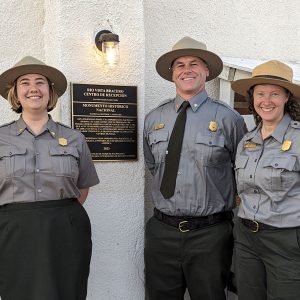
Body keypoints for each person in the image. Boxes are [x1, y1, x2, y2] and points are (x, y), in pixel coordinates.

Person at [143, 36, 247, 300]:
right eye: (179, 65)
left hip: (210, 234)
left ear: (206, 71)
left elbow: (242, 172)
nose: (186, 70)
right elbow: (155, 167)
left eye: (194, 64)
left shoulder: (228, 118)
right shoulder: (154, 118)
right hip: (162, 231)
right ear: (172, 73)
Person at [0, 56, 99, 300]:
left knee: (66, 291)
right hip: (13, 231)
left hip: (65, 230)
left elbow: (83, 186)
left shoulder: (75, 138)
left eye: (40, 82)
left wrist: (60, 215)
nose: (33, 88)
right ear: (16, 93)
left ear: (50, 92)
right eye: (24, 83)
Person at [232, 60, 300, 300]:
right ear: (252, 99)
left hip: (285, 241)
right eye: (260, 93)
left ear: (286, 97)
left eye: (274, 94)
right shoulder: (246, 141)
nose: (266, 100)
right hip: (246, 239)